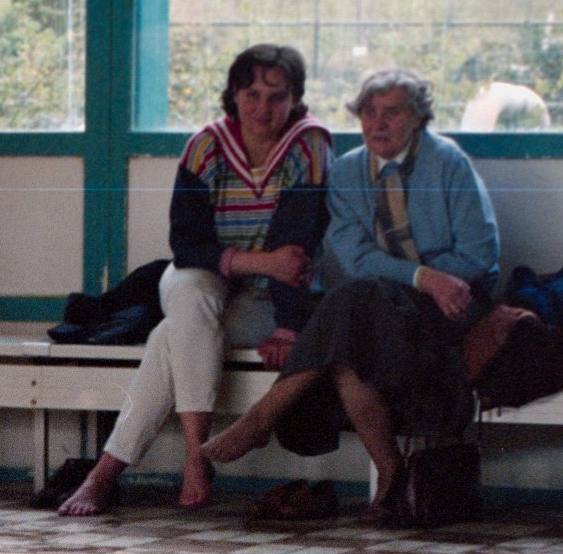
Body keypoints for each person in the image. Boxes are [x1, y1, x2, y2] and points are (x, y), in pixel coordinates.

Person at [204, 68, 500, 522]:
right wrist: (421, 276)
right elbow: (356, 258)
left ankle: (264, 418)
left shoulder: (448, 163)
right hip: (382, 304)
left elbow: (479, 255)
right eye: (369, 112)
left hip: (451, 304)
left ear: (417, 118)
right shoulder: (346, 172)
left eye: (392, 113)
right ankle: (389, 475)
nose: (378, 123)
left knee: (351, 310)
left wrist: (431, 284)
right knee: (355, 313)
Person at [58, 46, 330, 517]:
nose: (263, 107)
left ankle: (104, 476)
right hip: (205, 279)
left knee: (171, 335)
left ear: (295, 99)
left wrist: (288, 328)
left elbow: (296, 254)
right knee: (189, 292)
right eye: (252, 94)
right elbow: (187, 245)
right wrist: (260, 262)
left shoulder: (309, 145)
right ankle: (196, 457)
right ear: (233, 95)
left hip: (271, 301)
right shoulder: (205, 145)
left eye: (277, 96)